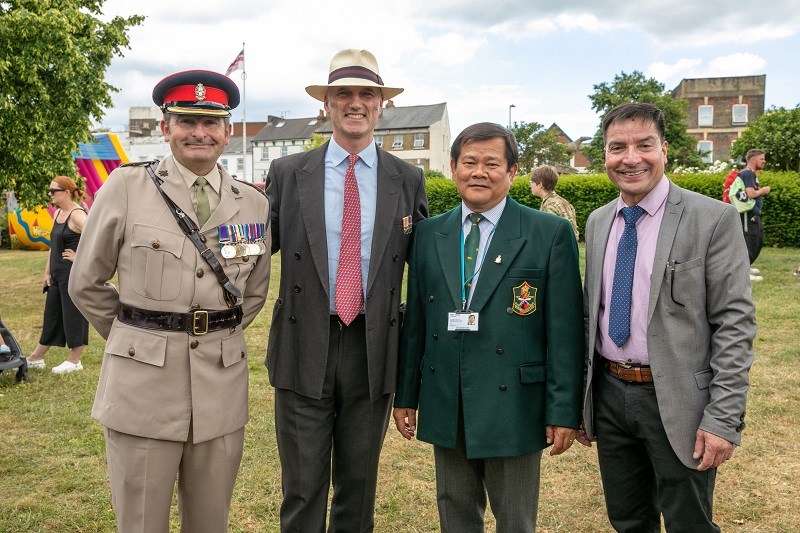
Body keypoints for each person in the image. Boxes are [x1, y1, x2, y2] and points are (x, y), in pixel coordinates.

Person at [69, 70, 271, 533]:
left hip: (219, 390)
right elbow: (85, 281)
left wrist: (215, 334)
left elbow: (254, 291)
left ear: (227, 130)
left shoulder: (253, 204)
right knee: (141, 523)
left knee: (210, 523)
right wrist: (137, 336)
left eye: (212, 122)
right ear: (165, 128)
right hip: (142, 388)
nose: (199, 132)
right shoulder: (126, 188)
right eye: (185, 120)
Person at [265, 48, 428, 531]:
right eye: (344, 94)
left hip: (373, 349)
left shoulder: (407, 178)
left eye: (366, 94)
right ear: (326, 105)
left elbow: (424, 264)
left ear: (382, 105)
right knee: (302, 487)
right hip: (302, 343)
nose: (355, 103)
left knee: (359, 489)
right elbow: (251, 250)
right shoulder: (289, 173)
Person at [393, 122, 584, 532]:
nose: (479, 172)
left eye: (492, 163)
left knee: (515, 520)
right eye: (469, 162)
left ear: (512, 172)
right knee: (455, 515)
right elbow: (417, 324)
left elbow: (566, 332)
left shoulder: (548, 233)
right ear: (453, 167)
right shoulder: (429, 234)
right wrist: (406, 394)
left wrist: (564, 410)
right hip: (447, 396)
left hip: (514, 401)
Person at [579, 103, 755, 532]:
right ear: (605, 154)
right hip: (610, 395)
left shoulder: (712, 219)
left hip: (680, 402)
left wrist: (723, 418)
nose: (630, 158)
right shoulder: (599, 221)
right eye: (617, 147)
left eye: (645, 145)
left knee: (688, 523)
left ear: (665, 149)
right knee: (628, 520)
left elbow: (735, 323)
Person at [26, 177, 89, 374]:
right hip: (57, 274)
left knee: (73, 315)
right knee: (52, 315)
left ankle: (74, 360)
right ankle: (37, 357)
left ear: (67, 192)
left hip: (72, 274)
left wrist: (78, 257)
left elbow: (98, 238)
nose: (50, 194)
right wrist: (47, 272)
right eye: (50, 190)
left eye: (54, 191)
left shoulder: (77, 215)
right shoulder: (58, 213)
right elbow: (54, 246)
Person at [739, 149, 770, 281]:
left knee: (758, 240)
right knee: (750, 241)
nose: (764, 161)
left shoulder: (750, 173)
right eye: (761, 159)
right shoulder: (748, 173)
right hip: (748, 214)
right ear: (753, 160)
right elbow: (750, 193)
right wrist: (764, 190)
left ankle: (747, 266)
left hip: (752, 214)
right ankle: (743, 272)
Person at [529, 164, 580, 241]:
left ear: (540, 185)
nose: (530, 185)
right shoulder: (563, 202)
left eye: (531, 182)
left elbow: (549, 237)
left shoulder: (550, 206)